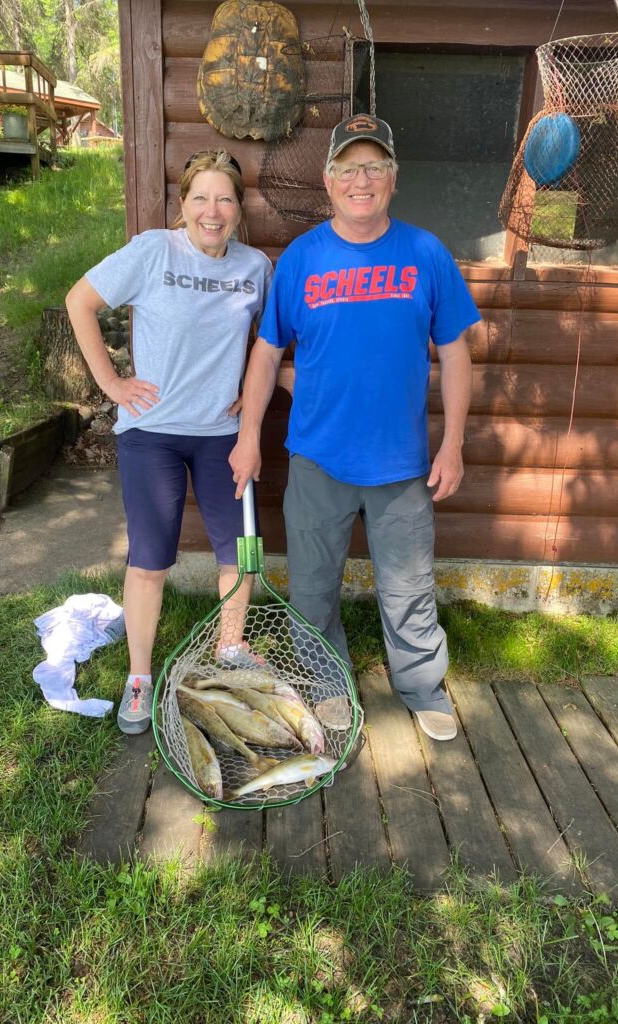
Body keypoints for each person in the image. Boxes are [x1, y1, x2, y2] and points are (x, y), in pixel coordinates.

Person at [229, 115, 479, 741]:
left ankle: (421, 687)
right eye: (348, 169)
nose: (360, 180)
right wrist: (248, 434)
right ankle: (325, 684)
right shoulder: (302, 259)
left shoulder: (426, 253)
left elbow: (454, 352)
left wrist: (451, 443)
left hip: (402, 465)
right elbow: (266, 353)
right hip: (317, 459)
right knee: (312, 589)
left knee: (409, 591)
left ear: (392, 179)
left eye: (374, 168)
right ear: (328, 180)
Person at [66, 150, 272, 735]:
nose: (213, 211)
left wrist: (251, 399)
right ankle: (139, 677)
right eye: (201, 198)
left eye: (225, 199)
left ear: (238, 209)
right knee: (150, 558)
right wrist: (110, 383)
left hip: (222, 438)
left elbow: (271, 343)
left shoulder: (257, 268)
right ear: (183, 205)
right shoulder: (154, 249)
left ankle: (230, 651)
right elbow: (80, 302)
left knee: (240, 552)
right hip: (151, 434)